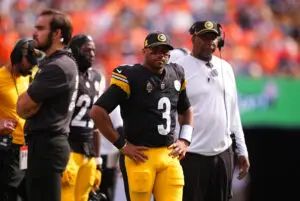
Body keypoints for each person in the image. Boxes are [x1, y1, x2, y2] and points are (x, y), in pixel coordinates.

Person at [90, 31, 194, 201]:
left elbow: (187, 109)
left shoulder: (176, 73)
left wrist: (184, 140)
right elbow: (97, 112)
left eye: (164, 51)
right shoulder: (130, 75)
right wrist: (122, 145)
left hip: (169, 155)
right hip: (140, 156)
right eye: (155, 50)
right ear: (144, 51)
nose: (160, 55)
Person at [174, 20, 250, 201]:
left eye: (213, 38)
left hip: (223, 154)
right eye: (204, 37)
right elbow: (170, 111)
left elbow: (233, 112)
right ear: (193, 39)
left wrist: (242, 149)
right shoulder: (178, 68)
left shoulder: (226, 68)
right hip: (191, 155)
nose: (210, 42)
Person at [16, 8, 78, 201]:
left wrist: (28, 102)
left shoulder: (58, 66)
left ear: (57, 34)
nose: (35, 33)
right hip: (43, 145)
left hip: (47, 146)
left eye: (41, 28)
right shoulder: (56, 63)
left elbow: (23, 107)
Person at [61, 34, 102, 201]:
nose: (92, 54)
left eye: (94, 50)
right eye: (87, 50)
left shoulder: (98, 78)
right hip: (69, 148)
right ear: (75, 50)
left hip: (89, 151)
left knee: (84, 198)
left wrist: (98, 161)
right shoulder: (67, 74)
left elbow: (96, 123)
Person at [0, 38, 40, 201]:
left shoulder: (31, 77)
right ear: (17, 57)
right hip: (6, 149)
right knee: (8, 193)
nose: (32, 65)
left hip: (26, 148)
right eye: (29, 61)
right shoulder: (0, 78)